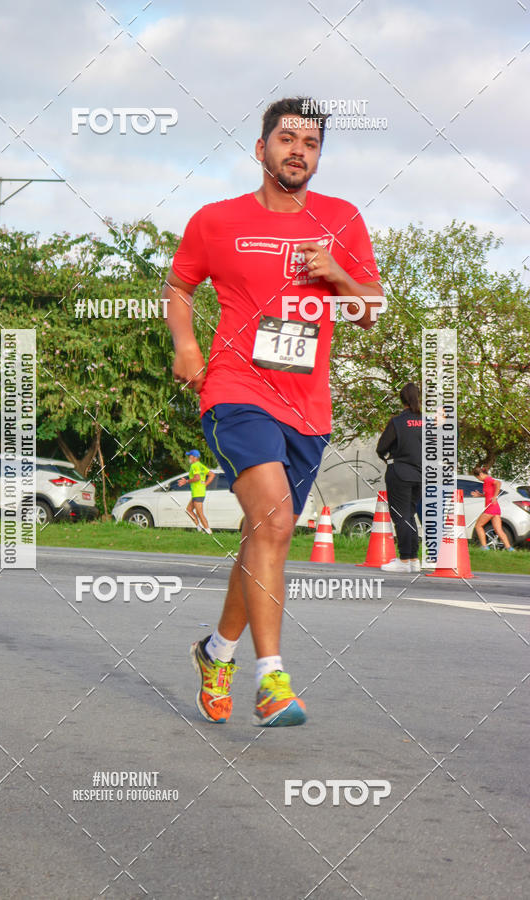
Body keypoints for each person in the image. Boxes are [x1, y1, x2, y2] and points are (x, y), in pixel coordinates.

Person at [164, 97, 383, 727]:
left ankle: (216, 651)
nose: (299, 150)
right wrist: (186, 342)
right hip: (235, 390)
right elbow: (180, 286)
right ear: (261, 149)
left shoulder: (342, 218)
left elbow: (370, 306)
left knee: (266, 532)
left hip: (308, 408)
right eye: (287, 138)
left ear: (318, 157)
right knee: (278, 522)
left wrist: (336, 272)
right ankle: (273, 679)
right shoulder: (216, 220)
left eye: (311, 142)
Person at [376, 383, 422, 573]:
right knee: (410, 515)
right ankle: (413, 559)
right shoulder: (428, 421)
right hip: (420, 474)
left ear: (401, 399)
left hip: (400, 472)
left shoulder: (397, 421)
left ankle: (404, 560)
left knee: (401, 516)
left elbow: (381, 447)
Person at [471, 465, 514, 551]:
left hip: (490, 508)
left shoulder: (488, 479)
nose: (478, 479)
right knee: (498, 530)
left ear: (480, 474)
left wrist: (495, 496)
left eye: (477, 477)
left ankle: (484, 547)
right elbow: (488, 494)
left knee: (478, 526)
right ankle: (510, 548)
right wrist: (480, 495)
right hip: (495, 508)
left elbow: (498, 483)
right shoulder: (486, 481)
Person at [177, 449, 214, 533]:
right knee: (189, 510)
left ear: (194, 457)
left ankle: (208, 531)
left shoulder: (194, 466)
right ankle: (199, 528)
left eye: (189, 456)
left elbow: (197, 478)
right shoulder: (200, 465)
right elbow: (212, 474)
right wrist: (205, 484)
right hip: (198, 492)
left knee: (200, 513)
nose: (188, 458)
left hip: (198, 493)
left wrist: (186, 481)